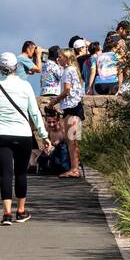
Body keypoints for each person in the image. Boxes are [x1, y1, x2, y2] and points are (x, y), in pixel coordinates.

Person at [0, 51, 51, 225]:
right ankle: (20, 211)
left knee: (5, 174)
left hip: (1, 134)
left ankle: (6, 214)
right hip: (23, 134)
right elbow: (34, 113)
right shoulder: (25, 86)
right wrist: (44, 136)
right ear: (16, 67)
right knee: (20, 173)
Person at [52, 48, 85, 179]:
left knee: (72, 140)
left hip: (72, 108)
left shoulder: (68, 71)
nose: (58, 58)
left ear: (66, 58)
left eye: (60, 56)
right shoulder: (71, 70)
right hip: (72, 107)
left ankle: (74, 169)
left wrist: (55, 101)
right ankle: (74, 167)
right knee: (71, 139)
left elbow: (66, 90)